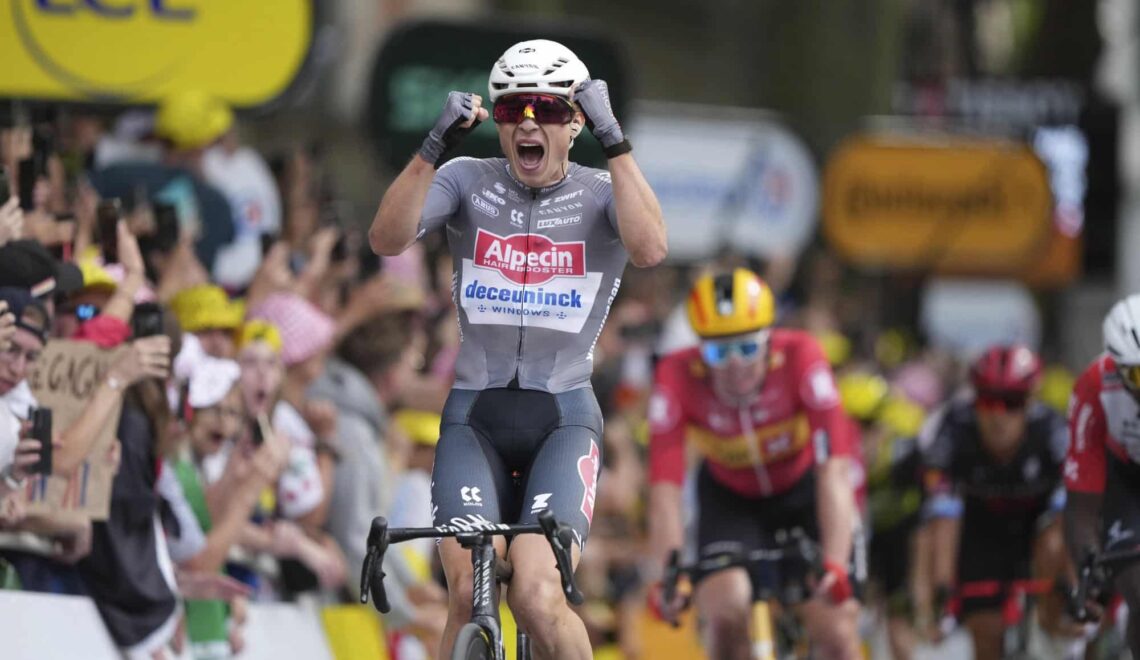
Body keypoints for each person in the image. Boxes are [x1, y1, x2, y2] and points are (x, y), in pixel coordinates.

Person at [369, 38, 666, 659]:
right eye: (512, 111)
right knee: (465, 592)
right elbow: (386, 239)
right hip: (474, 415)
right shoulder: (466, 180)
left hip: (562, 416)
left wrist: (614, 139)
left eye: (549, 110)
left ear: (575, 122)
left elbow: (650, 248)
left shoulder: (600, 191)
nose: (529, 124)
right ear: (499, 123)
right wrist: (431, 147)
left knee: (535, 594)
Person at [646, 269, 863, 660]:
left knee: (836, 632)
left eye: (747, 348)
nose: (734, 364)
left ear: (769, 339)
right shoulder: (676, 373)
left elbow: (833, 469)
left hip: (805, 494)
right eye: (718, 352)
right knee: (725, 613)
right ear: (699, 350)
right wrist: (668, 576)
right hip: (730, 501)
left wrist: (834, 562)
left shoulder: (801, 355)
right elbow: (665, 489)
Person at [917, 345, 1070, 660]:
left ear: (1029, 402)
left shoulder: (1053, 431)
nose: (998, 415)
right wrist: (940, 593)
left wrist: (1072, 585)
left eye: (1011, 402)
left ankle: (1056, 626)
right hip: (981, 531)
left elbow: (1074, 512)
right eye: (987, 401)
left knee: (1057, 540)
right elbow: (942, 519)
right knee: (986, 632)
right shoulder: (953, 428)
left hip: (1037, 527)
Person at [1065, 294, 1140, 656]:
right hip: (1125, 482)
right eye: (1139, 375)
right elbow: (1082, 504)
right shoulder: (1094, 386)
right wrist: (1089, 570)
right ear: (1117, 367)